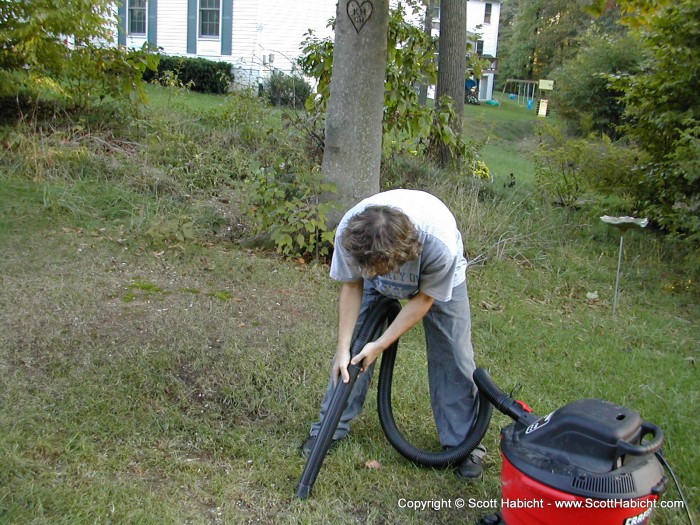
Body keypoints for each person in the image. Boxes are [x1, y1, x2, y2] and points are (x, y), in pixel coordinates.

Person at [301, 188, 485, 480]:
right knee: (352, 356)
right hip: (379, 260)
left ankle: (464, 447)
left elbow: (424, 300)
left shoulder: (439, 244)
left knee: (455, 357)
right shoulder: (352, 235)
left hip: (434, 281)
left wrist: (382, 344)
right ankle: (328, 430)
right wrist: (343, 348)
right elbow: (351, 286)